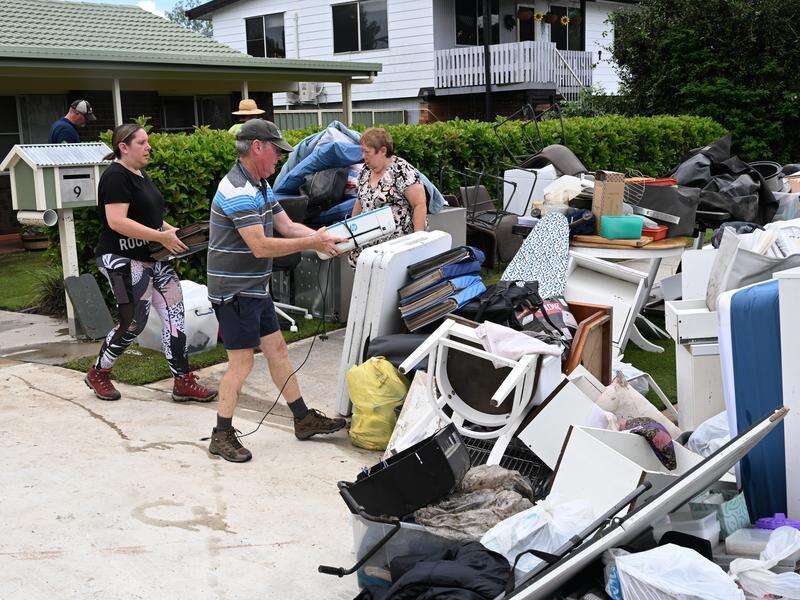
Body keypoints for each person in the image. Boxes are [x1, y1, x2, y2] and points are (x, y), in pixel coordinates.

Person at [207, 119, 348, 463]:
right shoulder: (237, 190)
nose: (280, 158)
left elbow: (285, 225)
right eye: (276, 151)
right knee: (241, 364)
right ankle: (221, 434)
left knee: (278, 350)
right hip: (234, 292)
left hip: (255, 288)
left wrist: (323, 237)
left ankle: (302, 419)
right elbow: (260, 246)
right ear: (257, 147)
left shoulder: (261, 184)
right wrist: (312, 243)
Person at [85, 123, 217, 404]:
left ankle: (182, 381)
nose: (149, 147)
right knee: (134, 321)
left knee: (175, 315)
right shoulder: (115, 177)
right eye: (142, 142)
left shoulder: (140, 174)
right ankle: (99, 373)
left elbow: (151, 218)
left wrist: (173, 233)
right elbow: (116, 221)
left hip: (152, 257)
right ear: (124, 147)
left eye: (148, 142)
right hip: (121, 258)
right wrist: (160, 236)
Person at [348, 127, 427, 267]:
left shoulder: (402, 170)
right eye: (362, 152)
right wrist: (351, 234)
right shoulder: (365, 171)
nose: (364, 156)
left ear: (383, 151)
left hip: (395, 251)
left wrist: (418, 241)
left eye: (367, 152)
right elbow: (359, 202)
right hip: (368, 252)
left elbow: (419, 205)